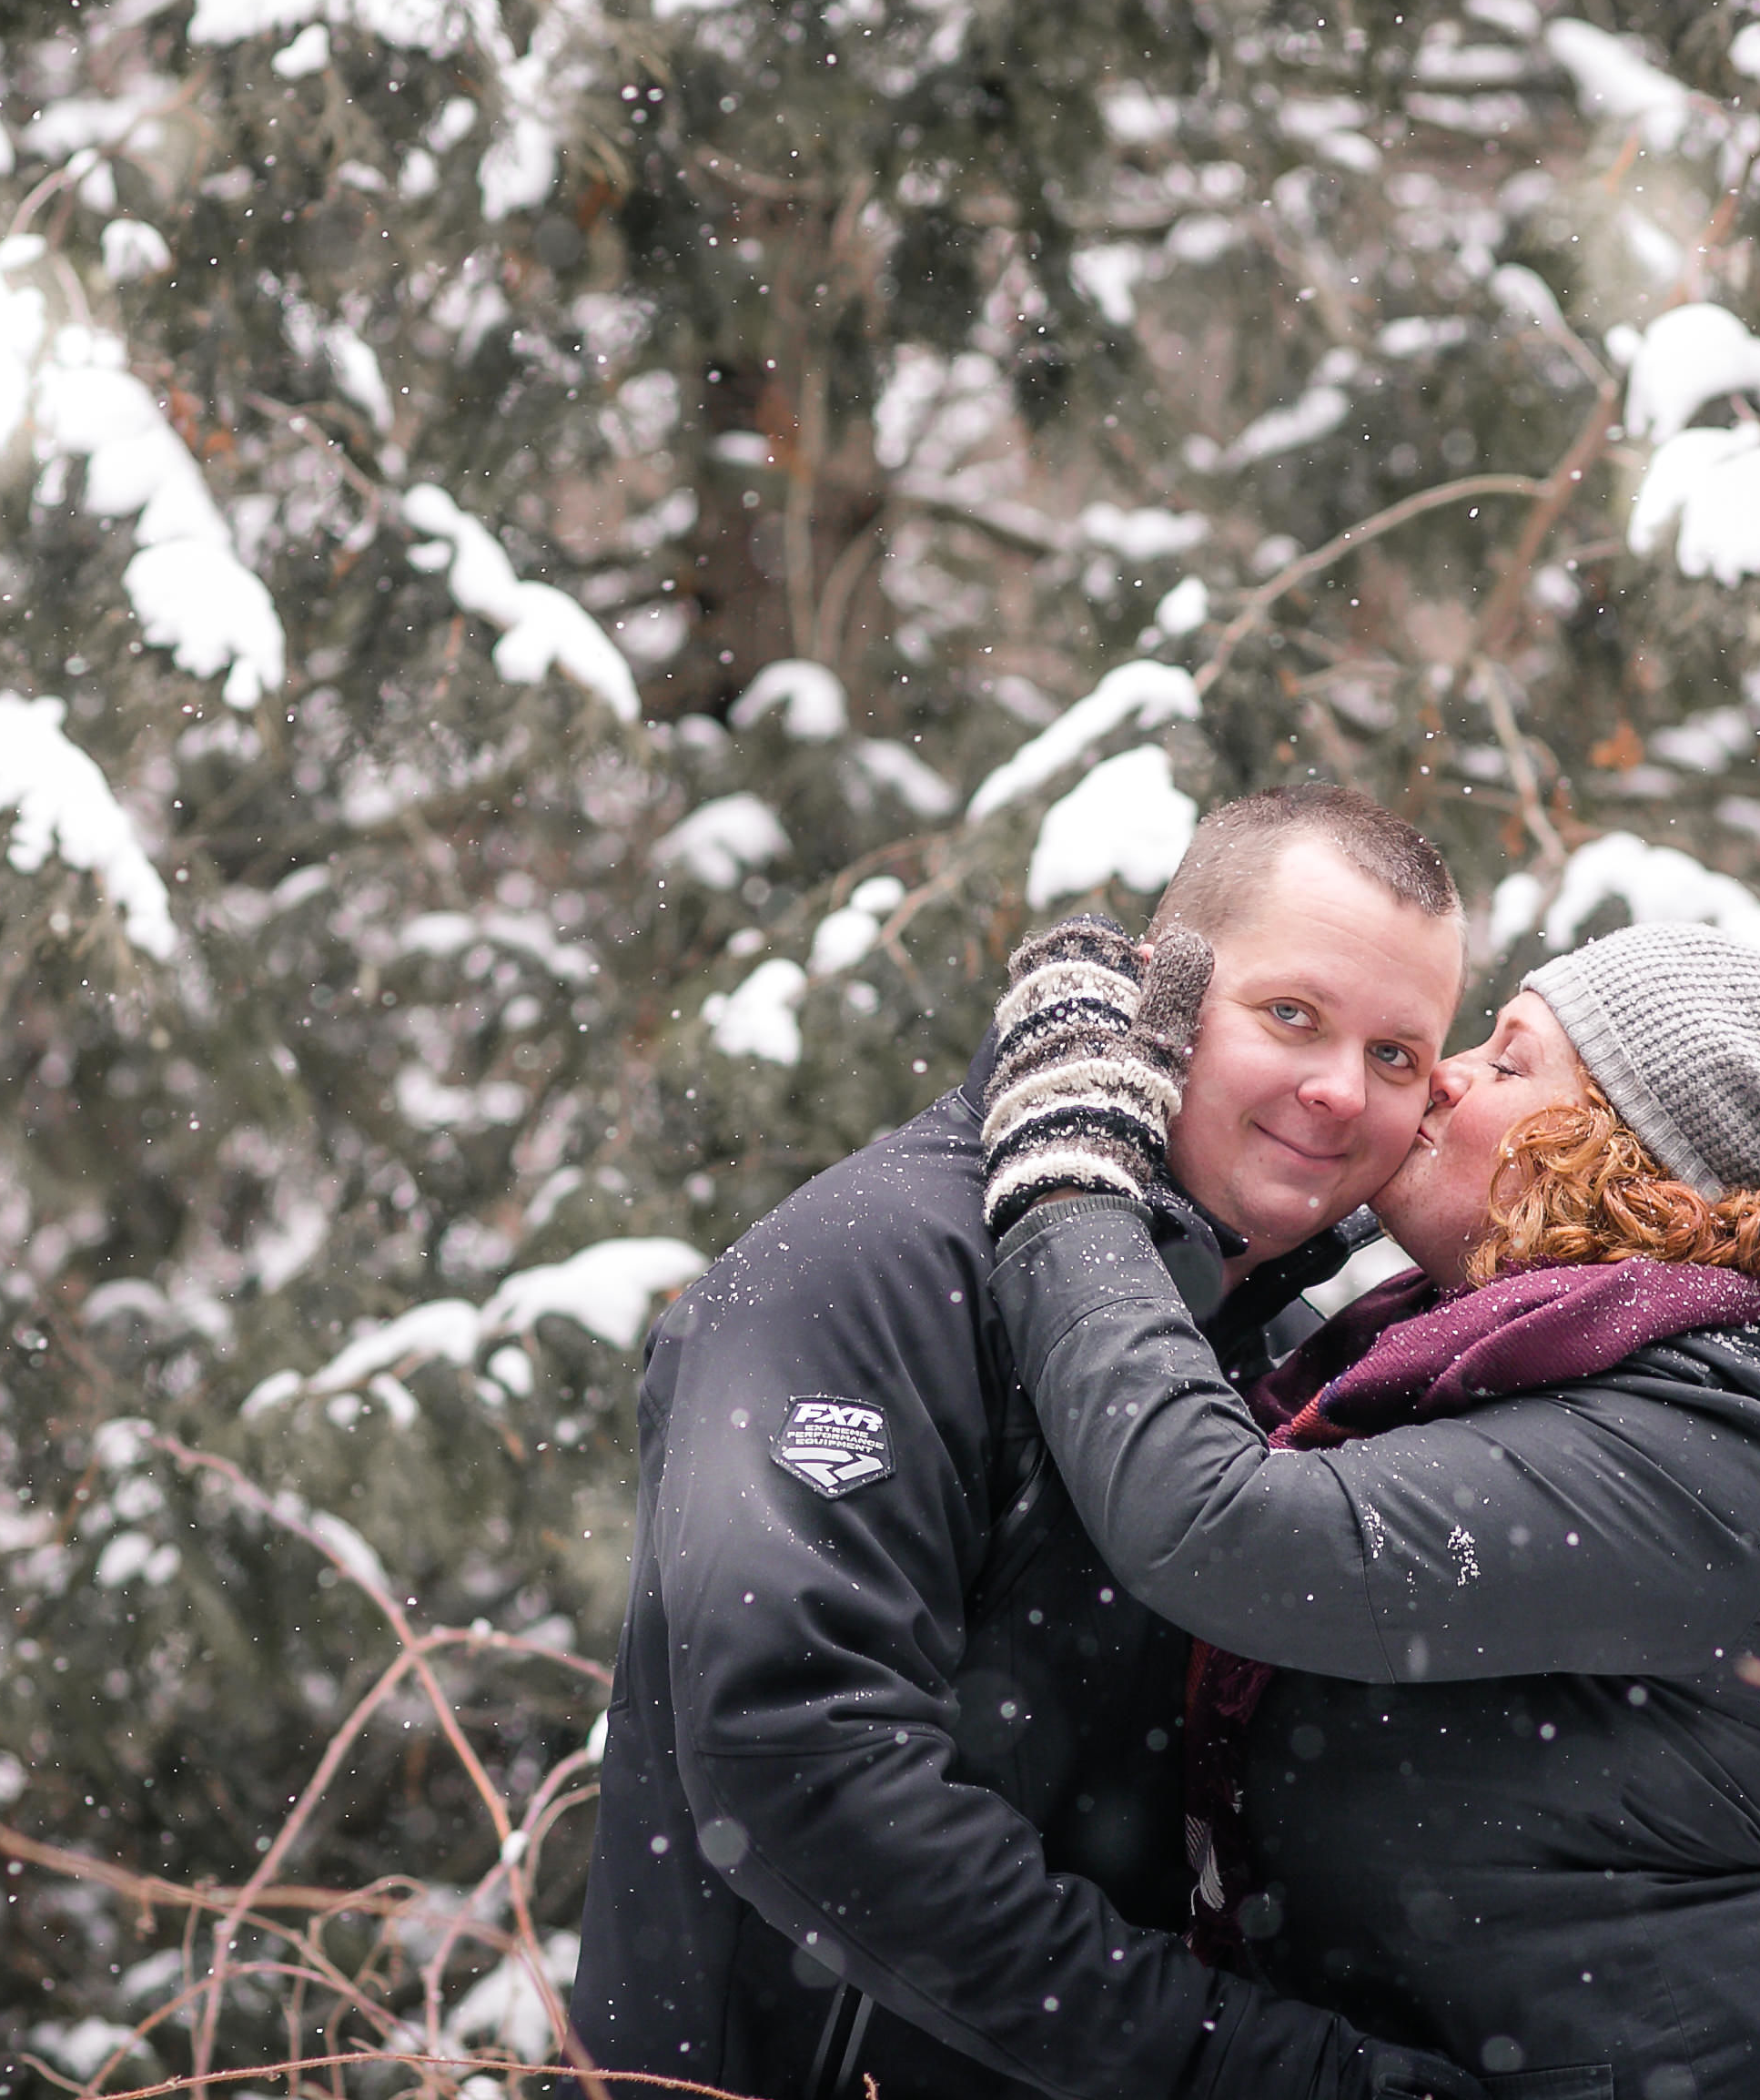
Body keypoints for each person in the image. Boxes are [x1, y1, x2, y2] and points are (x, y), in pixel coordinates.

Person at [573, 786, 1486, 2100]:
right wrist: (1250, 2074)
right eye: (1292, 1016)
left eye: (1398, 1056)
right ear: (1168, 997)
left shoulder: (1237, 1321)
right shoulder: (867, 1274)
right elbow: (803, 1773)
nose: (1339, 1090)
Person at [977, 918, 1760, 2100]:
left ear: (1621, 1159)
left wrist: (1071, 1175)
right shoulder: (1493, 1372)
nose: (1447, 1070)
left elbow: (1217, 1527)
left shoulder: (1698, 1467)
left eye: (1508, 1060)